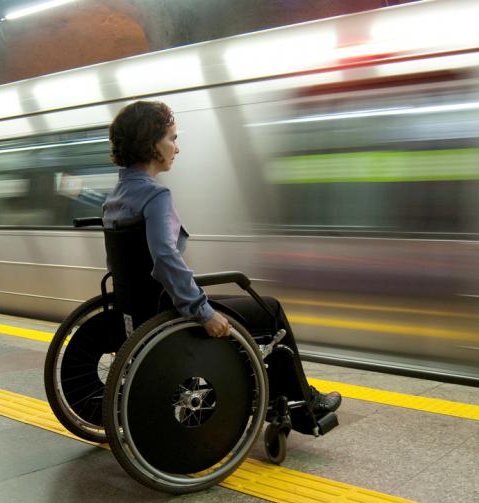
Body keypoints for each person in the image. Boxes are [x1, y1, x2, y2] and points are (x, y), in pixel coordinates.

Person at [102, 100, 341, 417]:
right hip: (169, 305)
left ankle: (274, 392)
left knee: (248, 308)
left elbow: (122, 265)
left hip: (140, 307)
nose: (177, 148)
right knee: (269, 310)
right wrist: (202, 311)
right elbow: (164, 258)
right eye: (172, 138)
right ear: (150, 143)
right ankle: (302, 403)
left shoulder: (115, 196)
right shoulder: (156, 196)